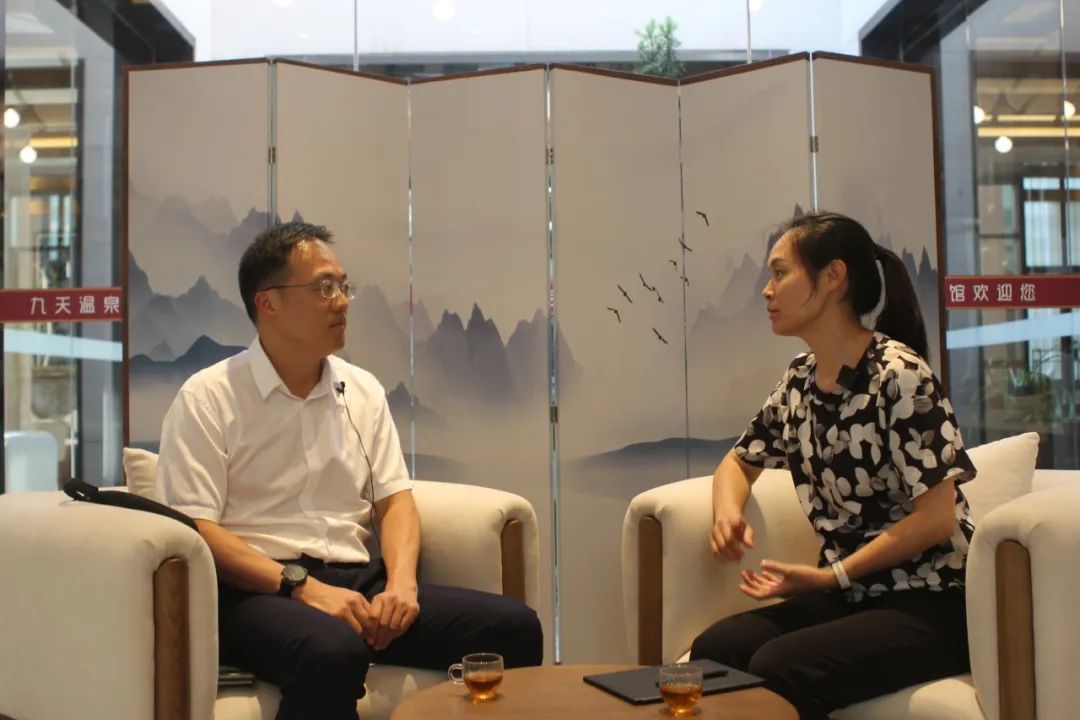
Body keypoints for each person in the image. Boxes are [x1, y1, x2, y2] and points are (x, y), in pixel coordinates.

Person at [157, 221, 543, 720]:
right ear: (268, 303)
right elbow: (198, 528)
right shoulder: (209, 398)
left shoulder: (361, 390)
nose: (341, 302)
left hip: (359, 583)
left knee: (514, 627)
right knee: (332, 650)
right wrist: (302, 587)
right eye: (323, 288)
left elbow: (395, 500)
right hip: (257, 592)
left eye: (343, 287)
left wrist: (401, 586)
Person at [690, 212, 976, 719]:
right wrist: (727, 514)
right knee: (717, 649)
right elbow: (738, 462)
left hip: (934, 599)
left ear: (832, 277)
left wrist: (831, 577)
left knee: (780, 666)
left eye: (780, 273)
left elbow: (937, 519)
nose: (766, 291)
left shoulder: (899, 374)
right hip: (855, 594)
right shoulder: (800, 380)